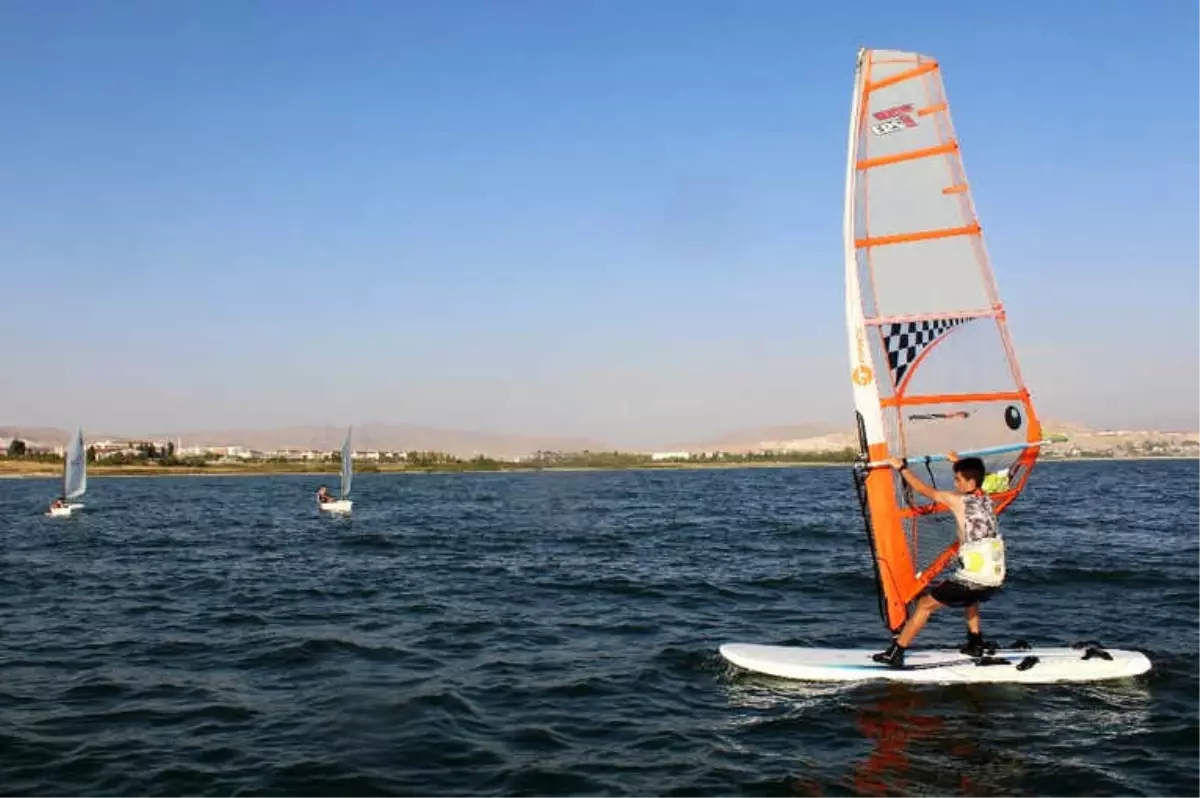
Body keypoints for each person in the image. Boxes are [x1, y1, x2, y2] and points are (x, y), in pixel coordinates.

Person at [872, 452, 1006, 668]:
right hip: (996, 577)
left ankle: (897, 652)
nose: (955, 483)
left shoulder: (957, 500)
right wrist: (958, 463)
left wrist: (901, 468)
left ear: (970, 482)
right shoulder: (987, 496)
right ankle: (975, 642)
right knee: (971, 597)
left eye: (958, 479)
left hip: (976, 576)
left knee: (925, 605)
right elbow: (977, 477)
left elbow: (924, 490)